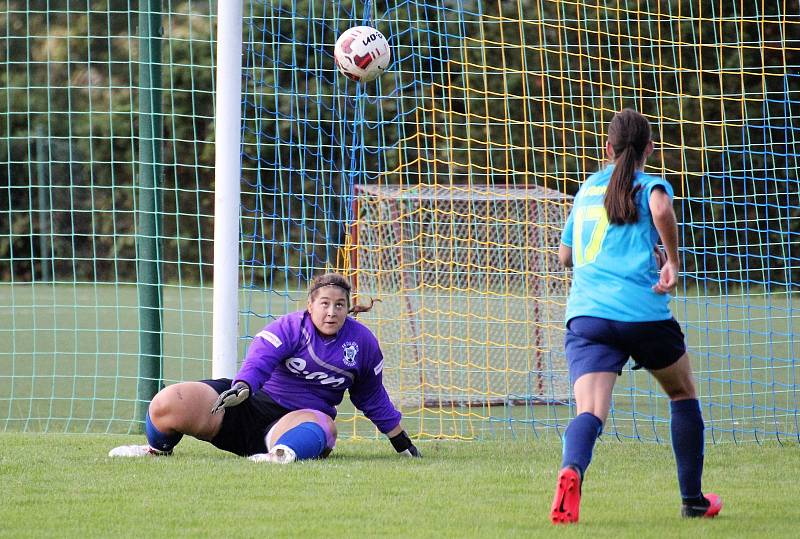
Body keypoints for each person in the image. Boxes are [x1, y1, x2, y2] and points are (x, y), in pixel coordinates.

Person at [549, 109, 721, 523]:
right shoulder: (648, 185)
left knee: (589, 411)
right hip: (641, 314)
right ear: (650, 148)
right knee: (682, 393)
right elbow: (661, 208)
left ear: (607, 148)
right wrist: (672, 261)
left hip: (588, 316)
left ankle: (571, 471)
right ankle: (692, 500)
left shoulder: (587, 189)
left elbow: (565, 256)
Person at [109, 272, 420, 463]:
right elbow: (259, 359)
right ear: (310, 305)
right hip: (246, 405)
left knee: (324, 426)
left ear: (348, 308)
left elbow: (372, 397)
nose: (331, 311)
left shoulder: (362, 343)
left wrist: (400, 441)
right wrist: (243, 386)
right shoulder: (288, 327)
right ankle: (156, 451)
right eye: (324, 303)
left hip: (295, 422)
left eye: (339, 305)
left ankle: (276, 457)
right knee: (169, 401)